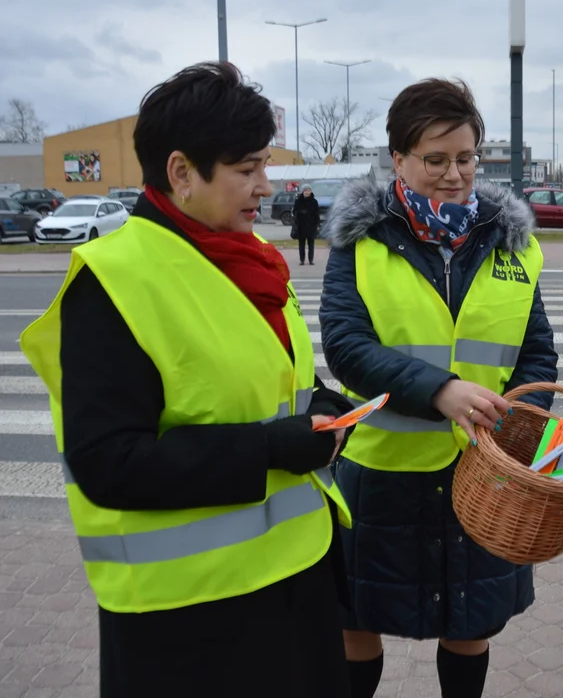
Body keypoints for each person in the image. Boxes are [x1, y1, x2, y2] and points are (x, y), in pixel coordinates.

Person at [20, 62, 357, 698]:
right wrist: (270, 449)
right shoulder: (115, 280)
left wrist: (319, 403)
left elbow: (264, 376)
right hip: (190, 624)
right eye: (246, 168)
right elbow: (108, 461)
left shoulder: (251, 262)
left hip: (293, 586)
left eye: (264, 165)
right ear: (181, 173)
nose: (265, 185)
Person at [319, 77, 558, 698]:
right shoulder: (361, 242)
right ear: (398, 159)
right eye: (435, 159)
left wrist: (523, 426)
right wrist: (441, 392)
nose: (454, 174)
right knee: (356, 621)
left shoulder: (514, 245)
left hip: (479, 476)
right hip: (381, 473)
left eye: (466, 158)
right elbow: (347, 347)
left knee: (470, 622)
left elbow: (536, 352)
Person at [293, 183, 321, 265]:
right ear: (302, 192)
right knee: (301, 244)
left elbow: (317, 214)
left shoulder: (314, 202)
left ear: (311, 191)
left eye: (308, 190)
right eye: (305, 190)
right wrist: (300, 213)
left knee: (311, 244)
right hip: (301, 226)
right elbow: (294, 211)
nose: (307, 192)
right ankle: (302, 260)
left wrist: (317, 224)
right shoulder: (298, 201)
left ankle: (311, 260)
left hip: (311, 226)